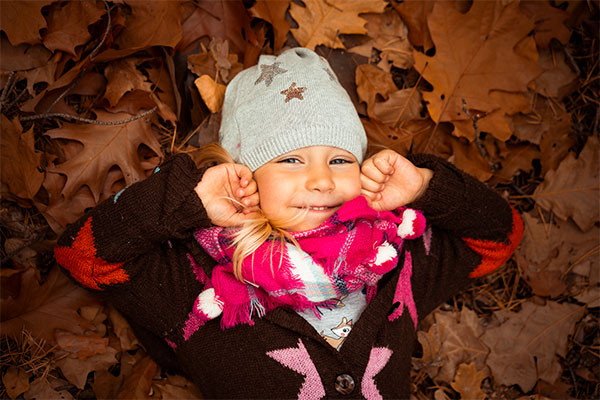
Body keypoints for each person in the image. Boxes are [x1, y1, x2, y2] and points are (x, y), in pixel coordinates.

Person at [54, 48, 523, 399]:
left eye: (340, 159)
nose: (321, 179)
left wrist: (426, 187)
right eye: (292, 159)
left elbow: (500, 239)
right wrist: (188, 201)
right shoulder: (191, 284)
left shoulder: (398, 257)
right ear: (245, 174)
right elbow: (82, 255)